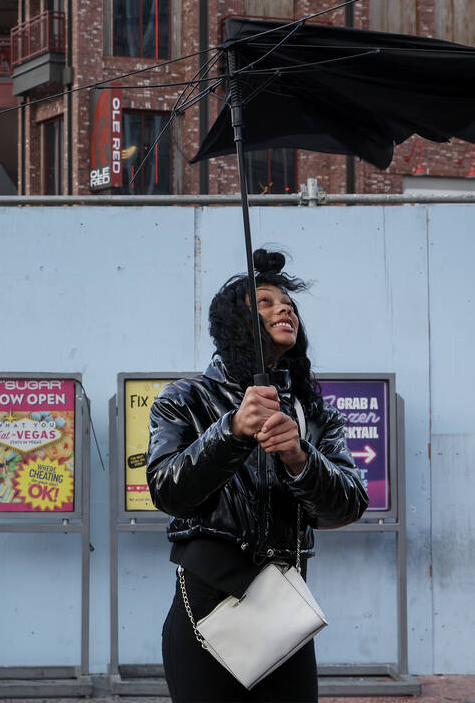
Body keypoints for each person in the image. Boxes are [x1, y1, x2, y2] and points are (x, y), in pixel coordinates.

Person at [146, 249, 368, 702]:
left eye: (287, 303)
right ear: (234, 324)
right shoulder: (185, 397)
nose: (283, 307)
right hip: (206, 606)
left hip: (284, 607)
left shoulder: (315, 415)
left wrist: (300, 458)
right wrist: (229, 433)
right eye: (264, 302)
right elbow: (167, 490)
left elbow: (347, 505)